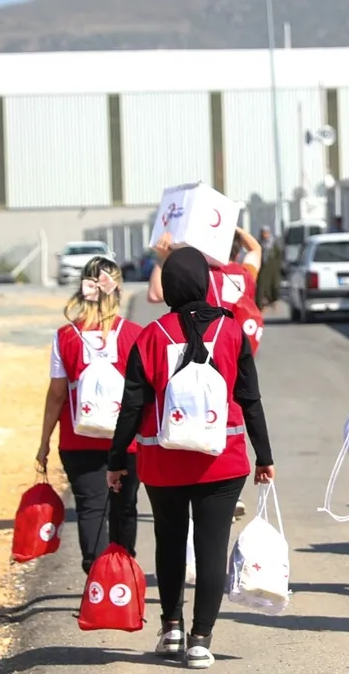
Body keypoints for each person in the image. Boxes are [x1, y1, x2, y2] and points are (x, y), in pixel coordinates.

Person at [108, 247, 276, 669]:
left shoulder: (150, 336)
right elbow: (250, 398)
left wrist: (116, 461)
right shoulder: (232, 331)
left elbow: (131, 406)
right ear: (205, 283)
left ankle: (171, 629)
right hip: (223, 459)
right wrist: (264, 455)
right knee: (211, 547)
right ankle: (201, 639)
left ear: (167, 287)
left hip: (163, 462)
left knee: (168, 542)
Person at [34, 258, 143, 574]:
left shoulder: (65, 336)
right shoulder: (134, 334)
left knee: (90, 508)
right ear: (118, 289)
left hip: (77, 438)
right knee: (125, 509)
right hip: (126, 442)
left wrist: (44, 444)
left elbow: (57, 395)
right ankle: (122, 578)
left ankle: (96, 580)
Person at [149, 227, 264, 522]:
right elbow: (256, 251)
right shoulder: (240, 273)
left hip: (197, 347)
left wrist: (163, 259)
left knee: (192, 413)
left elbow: (156, 294)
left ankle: (193, 482)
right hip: (233, 348)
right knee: (229, 417)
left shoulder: (197, 278)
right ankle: (222, 487)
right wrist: (234, 228)